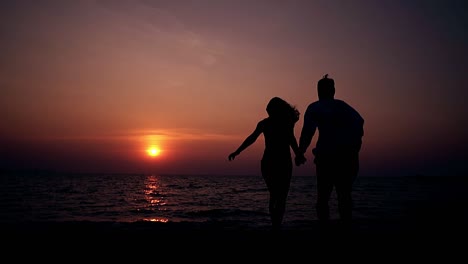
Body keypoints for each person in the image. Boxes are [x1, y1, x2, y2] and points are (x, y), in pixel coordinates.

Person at [228, 97, 305, 230]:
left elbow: (291, 140)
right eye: (267, 110)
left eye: (270, 110)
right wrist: (237, 151)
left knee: (278, 196)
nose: (268, 112)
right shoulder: (266, 123)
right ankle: (276, 225)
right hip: (272, 163)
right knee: (277, 195)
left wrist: (298, 154)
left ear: (276, 110)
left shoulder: (283, 124)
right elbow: (252, 138)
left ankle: (276, 225)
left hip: (281, 163)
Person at [296, 74, 364, 225]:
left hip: (327, 158)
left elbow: (308, 132)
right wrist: (355, 148)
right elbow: (360, 122)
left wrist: (300, 152)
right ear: (333, 91)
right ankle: (346, 227)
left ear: (318, 91)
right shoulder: (344, 107)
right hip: (348, 158)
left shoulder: (315, 107)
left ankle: (324, 231)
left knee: (323, 198)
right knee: (344, 196)